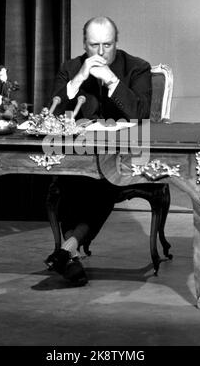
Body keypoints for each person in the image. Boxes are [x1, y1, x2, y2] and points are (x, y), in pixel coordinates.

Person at [45, 16, 152, 285]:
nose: (101, 52)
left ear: (116, 42)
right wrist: (79, 78)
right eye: (94, 46)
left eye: (108, 44)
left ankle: (67, 250)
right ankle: (70, 255)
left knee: (105, 180)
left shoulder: (137, 68)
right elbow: (53, 115)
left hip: (124, 153)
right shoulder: (71, 68)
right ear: (85, 44)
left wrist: (113, 81)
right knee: (67, 179)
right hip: (80, 154)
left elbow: (141, 115)